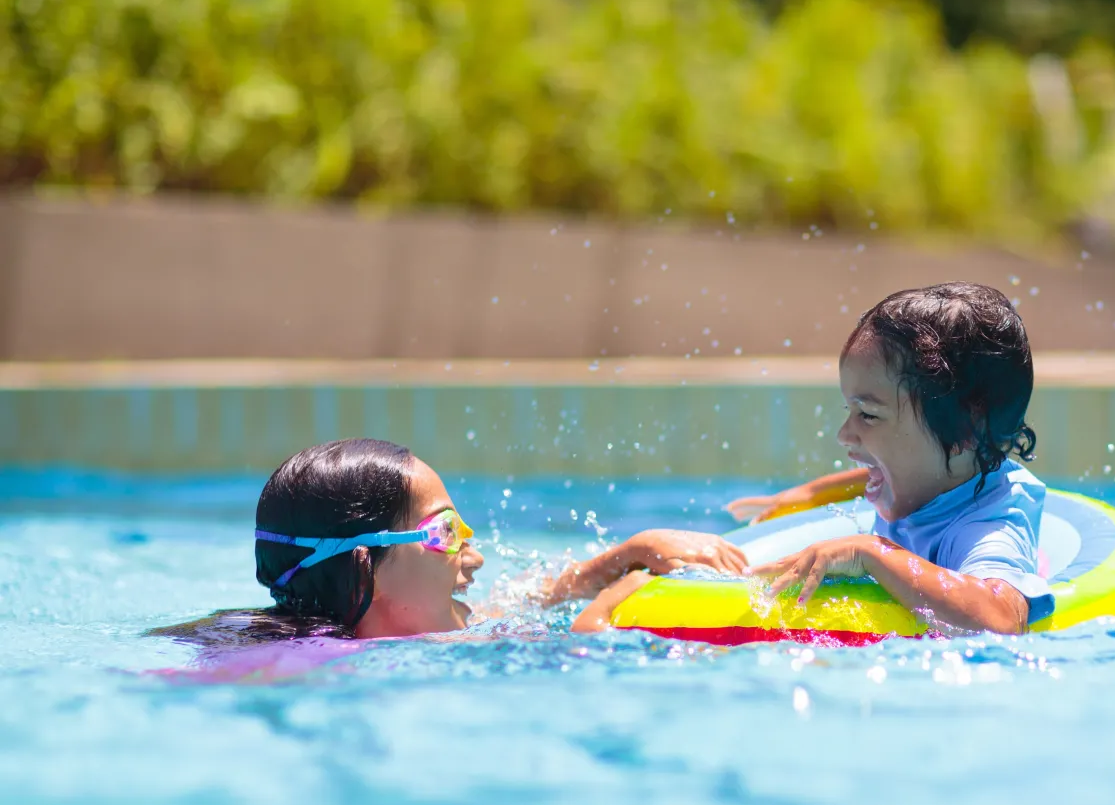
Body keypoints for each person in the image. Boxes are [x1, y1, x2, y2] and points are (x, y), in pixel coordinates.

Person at [153, 438, 748, 647]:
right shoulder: (335, 669)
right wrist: (607, 610)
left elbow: (513, 605)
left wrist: (618, 559)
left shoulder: (375, 626)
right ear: (365, 568)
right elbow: (577, 660)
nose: (475, 557)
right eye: (445, 533)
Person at [728, 282, 1051, 635]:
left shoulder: (987, 529)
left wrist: (871, 552)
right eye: (849, 411)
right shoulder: (938, 476)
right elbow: (878, 473)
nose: (843, 435)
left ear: (963, 432)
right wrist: (809, 495)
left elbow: (1001, 619)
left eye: (868, 415)